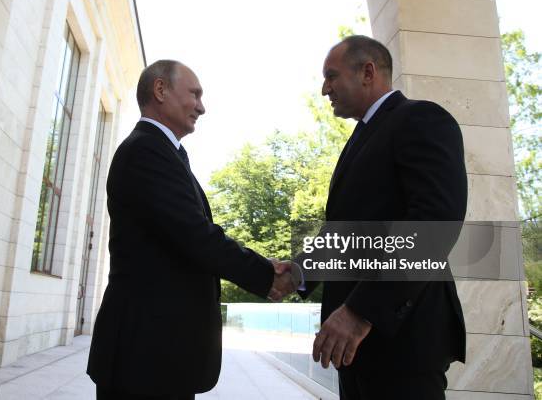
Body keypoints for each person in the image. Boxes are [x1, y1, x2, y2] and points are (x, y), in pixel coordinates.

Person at [86, 60, 295, 400]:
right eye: (195, 94)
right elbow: (197, 236)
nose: (202, 106)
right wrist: (266, 273)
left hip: (159, 355)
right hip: (144, 357)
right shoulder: (147, 151)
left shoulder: (165, 152)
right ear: (160, 90)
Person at [297, 35, 468, 400]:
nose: (324, 88)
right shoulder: (363, 136)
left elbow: (435, 223)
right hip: (356, 349)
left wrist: (361, 311)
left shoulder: (420, 118)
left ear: (368, 72)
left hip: (402, 338)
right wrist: (296, 273)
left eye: (331, 75)